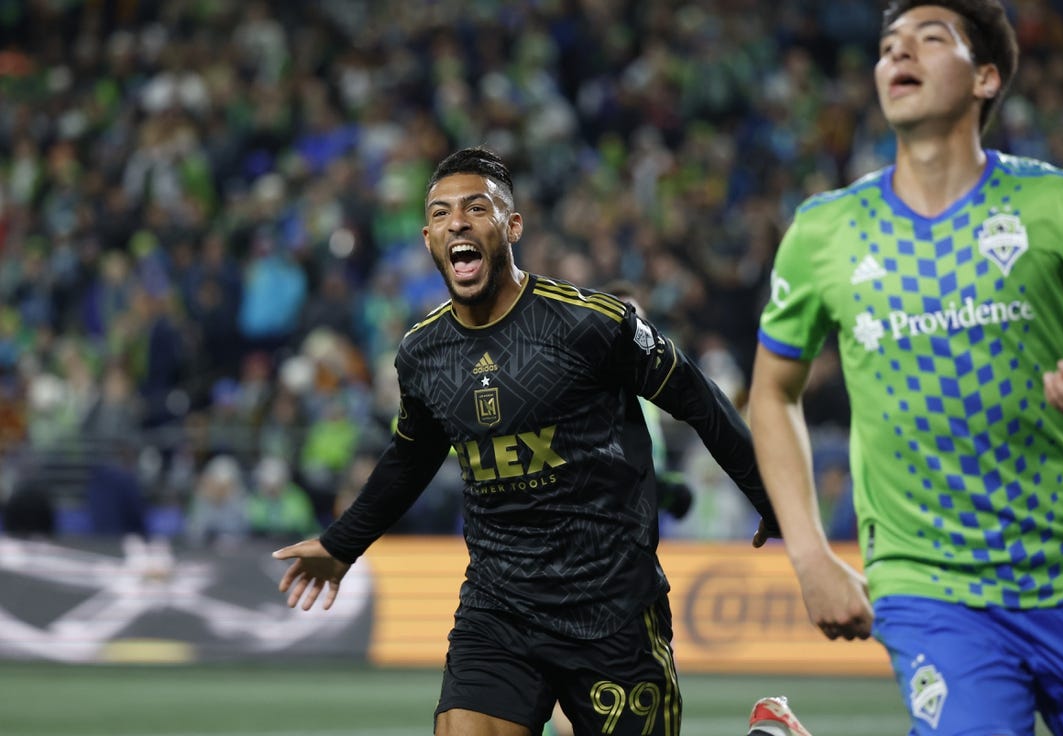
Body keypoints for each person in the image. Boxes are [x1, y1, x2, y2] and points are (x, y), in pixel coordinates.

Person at [272, 146, 781, 736]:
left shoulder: (589, 325)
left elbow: (700, 400)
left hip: (609, 608)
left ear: (512, 226)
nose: (456, 222)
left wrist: (770, 495)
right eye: (440, 214)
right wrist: (342, 545)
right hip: (498, 608)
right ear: (428, 239)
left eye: (475, 208)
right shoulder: (423, 354)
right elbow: (411, 457)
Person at [747, 1, 1063, 735]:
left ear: (987, 78)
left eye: (930, 39)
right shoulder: (826, 231)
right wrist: (809, 555)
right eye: (887, 45)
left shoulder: (1058, 204)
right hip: (929, 584)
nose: (898, 53)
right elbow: (772, 395)